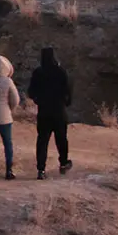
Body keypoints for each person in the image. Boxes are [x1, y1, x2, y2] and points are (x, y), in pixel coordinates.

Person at [27, 47, 73, 180]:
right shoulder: (61, 72)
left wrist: (38, 100)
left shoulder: (38, 72)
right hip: (59, 111)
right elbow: (68, 91)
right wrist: (66, 102)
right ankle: (63, 163)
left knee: (42, 140)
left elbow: (31, 92)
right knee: (61, 138)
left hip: (44, 112)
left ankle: (41, 169)